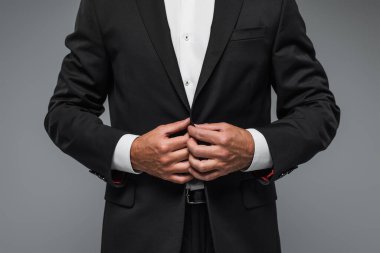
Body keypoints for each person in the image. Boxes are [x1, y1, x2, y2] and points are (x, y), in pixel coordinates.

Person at [44, 0, 341, 252]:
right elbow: (64, 111)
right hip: (140, 232)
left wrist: (252, 148)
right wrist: (132, 153)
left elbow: (318, 108)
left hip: (242, 232)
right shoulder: (105, 5)